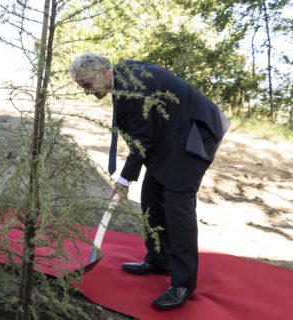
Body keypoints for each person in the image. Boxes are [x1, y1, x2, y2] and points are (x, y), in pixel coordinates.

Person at [70, 53, 230, 310]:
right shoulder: (121, 82)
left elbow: (142, 141)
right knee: (151, 197)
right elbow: (140, 136)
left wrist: (123, 182)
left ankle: (183, 283)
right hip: (170, 136)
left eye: (86, 85)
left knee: (177, 204)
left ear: (102, 73)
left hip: (195, 133)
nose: (86, 92)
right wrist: (130, 176)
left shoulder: (133, 85)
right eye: (82, 88)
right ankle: (160, 259)